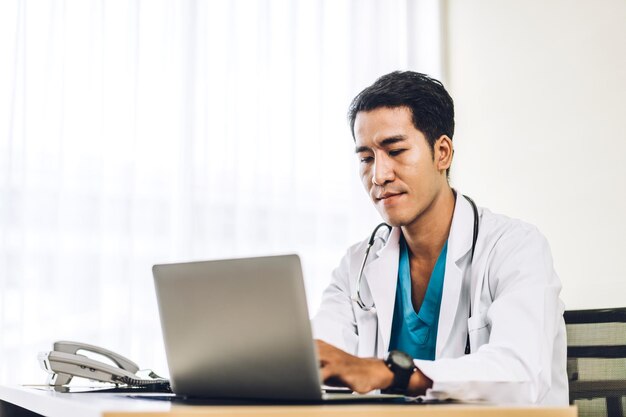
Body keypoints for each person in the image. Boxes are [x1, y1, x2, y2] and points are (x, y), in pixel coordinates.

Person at [312, 71, 568, 404]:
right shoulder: (357, 265)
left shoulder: (516, 247)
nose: (378, 175)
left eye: (396, 151)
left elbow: (520, 374)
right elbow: (319, 359)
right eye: (366, 158)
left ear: (442, 152)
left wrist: (392, 373)